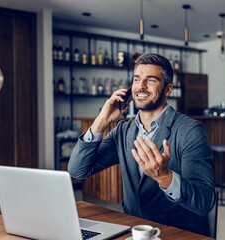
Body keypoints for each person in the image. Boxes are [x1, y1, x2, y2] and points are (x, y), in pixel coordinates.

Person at [68, 53, 215, 236]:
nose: (141, 86)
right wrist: (102, 119)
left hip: (176, 233)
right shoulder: (123, 131)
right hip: (134, 231)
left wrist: (165, 177)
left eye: (151, 80)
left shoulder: (190, 130)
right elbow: (77, 170)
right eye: (137, 79)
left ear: (168, 89)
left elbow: (205, 201)